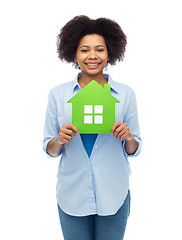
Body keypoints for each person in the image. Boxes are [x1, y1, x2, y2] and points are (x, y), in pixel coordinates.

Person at [43, 15, 142, 240]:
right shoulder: (58, 95)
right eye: (84, 50)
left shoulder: (126, 94)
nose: (93, 56)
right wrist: (59, 139)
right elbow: (49, 148)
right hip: (72, 193)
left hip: (114, 192)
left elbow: (134, 148)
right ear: (74, 55)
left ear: (109, 54)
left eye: (100, 49)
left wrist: (128, 137)